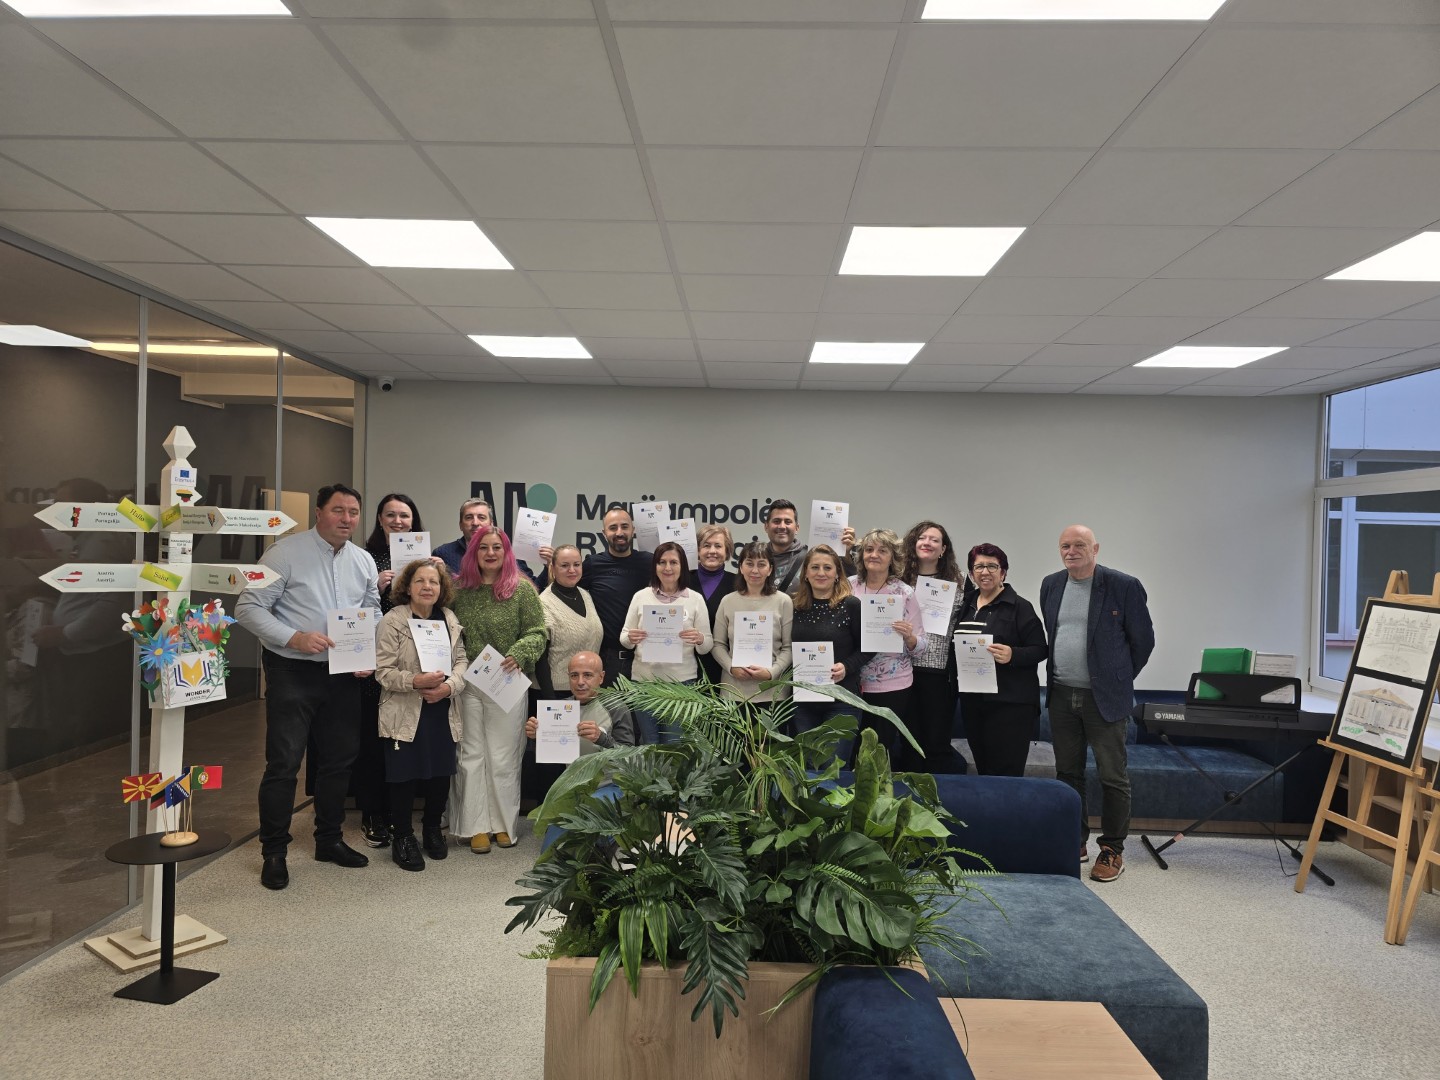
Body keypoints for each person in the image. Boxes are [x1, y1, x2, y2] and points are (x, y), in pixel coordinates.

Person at [235, 482, 381, 891]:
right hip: (292, 670)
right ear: (319, 513)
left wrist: (364, 652)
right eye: (338, 510)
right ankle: (274, 851)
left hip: (342, 674)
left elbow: (372, 609)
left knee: (338, 761)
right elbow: (247, 608)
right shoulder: (284, 553)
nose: (347, 519)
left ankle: (328, 840)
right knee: (283, 762)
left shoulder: (363, 560)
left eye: (353, 512)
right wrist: (294, 637)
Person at [1039, 524, 1154, 884]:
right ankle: (1075, 840)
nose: (1071, 551)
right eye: (1065, 546)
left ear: (1095, 548)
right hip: (1061, 694)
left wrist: (1116, 679)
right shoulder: (1051, 584)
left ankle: (1112, 849)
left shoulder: (1123, 586)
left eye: (1079, 545)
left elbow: (1143, 642)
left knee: (1112, 776)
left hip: (1104, 698)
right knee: (1068, 773)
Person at [451, 525, 548, 854]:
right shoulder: (458, 590)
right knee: (471, 754)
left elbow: (537, 632)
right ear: (473, 552)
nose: (490, 553)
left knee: (504, 756)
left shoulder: (522, 590)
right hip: (468, 682)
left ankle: (502, 824)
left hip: (507, 680)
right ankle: (475, 826)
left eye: (497, 547)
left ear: (506, 552)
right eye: (483, 547)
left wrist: (519, 653)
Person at [374, 560, 468, 872]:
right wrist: (415, 681)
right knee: (403, 775)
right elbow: (383, 671)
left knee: (440, 773)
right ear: (407, 587)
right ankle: (403, 836)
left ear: (442, 588)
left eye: (434, 582)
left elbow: (462, 661)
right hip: (405, 710)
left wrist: (449, 687)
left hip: (441, 706)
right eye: (420, 581)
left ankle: (431, 829)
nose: (427, 587)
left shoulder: (449, 618)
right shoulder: (393, 620)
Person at [355, 492, 427, 849]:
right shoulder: (364, 559)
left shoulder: (424, 561)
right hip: (375, 665)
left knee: (401, 743)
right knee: (373, 744)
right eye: (391, 515)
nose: (398, 521)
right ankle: (372, 814)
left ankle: (398, 813)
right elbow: (352, 609)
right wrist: (376, 588)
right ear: (380, 520)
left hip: (413, 665)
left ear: (413, 521)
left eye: (404, 516)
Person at [955, 543, 1047, 778]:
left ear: (1003, 572)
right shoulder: (965, 604)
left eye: (992, 566)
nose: (985, 572)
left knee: (1006, 773)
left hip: (1010, 704)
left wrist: (1013, 654)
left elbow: (1040, 649)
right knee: (983, 769)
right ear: (972, 573)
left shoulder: (1019, 607)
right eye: (979, 567)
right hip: (973, 702)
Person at [622, 542, 713, 743]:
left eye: (673, 562)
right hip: (644, 683)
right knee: (650, 743)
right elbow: (625, 638)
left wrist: (699, 639)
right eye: (662, 562)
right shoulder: (641, 596)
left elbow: (707, 646)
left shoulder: (695, 599)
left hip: (681, 684)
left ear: (683, 566)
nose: (668, 568)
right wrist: (630, 638)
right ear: (655, 566)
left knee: (674, 744)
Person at [848, 528, 924, 762]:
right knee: (850, 750)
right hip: (850, 681)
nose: (874, 555)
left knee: (877, 753)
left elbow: (922, 646)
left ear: (893, 557)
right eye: (869, 549)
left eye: (882, 551)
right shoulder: (848, 587)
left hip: (892, 685)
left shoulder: (905, 593)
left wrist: (909, 637)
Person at [898, 520, 968, 774]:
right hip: (902, 669)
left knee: (936, 742)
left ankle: (938, 795)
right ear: (913, 543)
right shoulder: (898, 580)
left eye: (934, 540)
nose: (927, 543)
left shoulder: (959, 583)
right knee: (908, 742)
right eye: (922, 538)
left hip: (938, 673)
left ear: (943, 549)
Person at [789, 545, 872, 750]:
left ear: (837, 574)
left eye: (827, 568)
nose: (821, 573)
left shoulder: (851, 605)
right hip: (803, 701)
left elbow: (868, 647)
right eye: (815, 567)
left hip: (842, 699)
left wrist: (846, 666)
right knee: (807, 763)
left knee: (833, 764)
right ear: (805, 573)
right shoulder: (793, 607)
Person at [710, 541, 793, 705]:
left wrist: (771, 672)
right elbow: (717, 644)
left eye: (761, 564)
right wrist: (731, 667)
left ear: (770, 569)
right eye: (749, 563)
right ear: (741, 567)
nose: (755, 570)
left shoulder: (783, 601)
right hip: (733, 692)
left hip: (772, 693)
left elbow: (788, 648)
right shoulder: (728, 601)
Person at [580, 506, 652, 685]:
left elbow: (675, 585)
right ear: (604, 533)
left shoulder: (649, 562)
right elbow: (566, 590)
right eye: (613, 528)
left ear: (633, 530)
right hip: (609, 660)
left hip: (647, 657)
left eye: (624, 526)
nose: (619, 532)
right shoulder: (592, 564)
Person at [524, 650, 637, 757]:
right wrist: (536, 736)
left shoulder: (616, 708)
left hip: (607, 772)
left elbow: (630, 756)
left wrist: (601, 738)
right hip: (572, 771)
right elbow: (550, 755)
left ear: (601, 677)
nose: (580, 682)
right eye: (574, 675)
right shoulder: (560, 708)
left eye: (587, 675)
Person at [537, 544, 603, 696]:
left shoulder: (586, 595)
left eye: (577, 564)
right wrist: (550, 701)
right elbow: (540, 660)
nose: (572, 570)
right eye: (565, 565)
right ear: (553, 568)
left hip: (587, 691)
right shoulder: (543, 603)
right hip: (555, 693)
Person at [764, 498, 856, 594]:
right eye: (776, 521)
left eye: (788, 522)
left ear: (797, 528)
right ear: (766, 526)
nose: (782, 526)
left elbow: (850, 581)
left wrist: (845, 554)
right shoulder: (757, 557)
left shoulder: (811, 556)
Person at [690, 524, 736, 685]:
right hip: (686, 669)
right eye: (706, 545)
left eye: (718, 546)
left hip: (726, 669)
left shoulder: (739, 584)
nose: (712, 551)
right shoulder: (682, 581)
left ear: (727, 551)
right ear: (698, 550)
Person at [433, 499, 491, 575]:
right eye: (469, 517)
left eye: (481, 517)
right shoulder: (442, 554)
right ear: (461, 525)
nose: (475, 523)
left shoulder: (500, 553)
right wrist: (444, 575)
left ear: (491, 524)